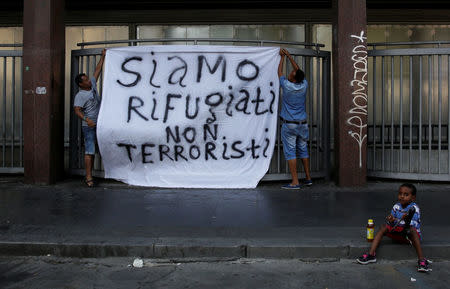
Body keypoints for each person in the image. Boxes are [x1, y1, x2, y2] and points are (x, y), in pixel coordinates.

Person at [357, 183, 432, 272]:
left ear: (413, 198)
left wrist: (404, 219)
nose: (402, 196)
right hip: (398, 234)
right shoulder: (396, 206)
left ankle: (422, 260)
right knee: (383, 227)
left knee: (412, 230)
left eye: (406, 194)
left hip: (409, 237)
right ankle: (371, 254)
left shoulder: (414, 208)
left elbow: (413, 224)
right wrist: (391, 220)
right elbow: (392, 223)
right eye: (400, 194)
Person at [278, 48, 312, 189]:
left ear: (293, 78)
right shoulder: (304, 85)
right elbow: (298, 71)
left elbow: (279, 73)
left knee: (290, 151)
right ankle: (308, 178)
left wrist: (282, 58)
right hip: (303, 125)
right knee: (303, 150)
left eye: (292, 73)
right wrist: (290, 56)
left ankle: (295, 182)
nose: (291, 72)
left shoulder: (287, 85)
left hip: (290, 125)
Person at [73, 49, 106, 187]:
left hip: (100, 124)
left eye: (88, 79)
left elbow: (97, 70)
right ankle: (88, 177)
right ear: (81, 84)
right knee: (89, 151)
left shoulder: (92, 86)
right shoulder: (80, 95)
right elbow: (77, 111)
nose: (89, 81)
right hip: (89, 127)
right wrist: (87, 120)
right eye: (86, 80)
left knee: (103, 149)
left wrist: (102, 57)